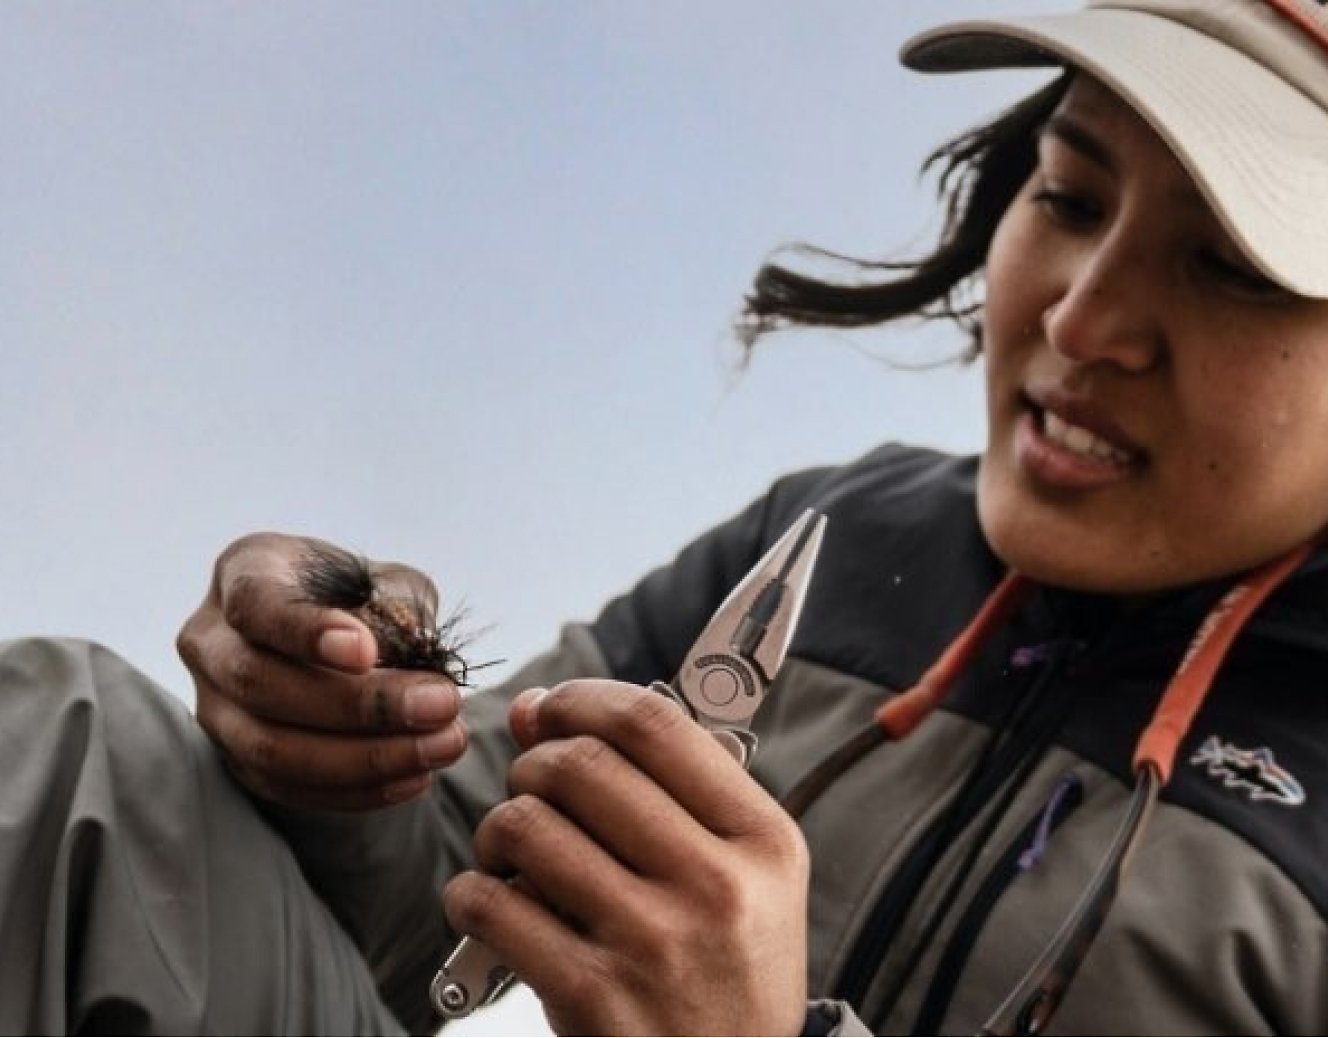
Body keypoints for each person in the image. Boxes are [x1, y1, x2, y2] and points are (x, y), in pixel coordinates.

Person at [5, 0, 1328, 1033]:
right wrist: (332, 760)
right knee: (73, 750)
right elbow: (433, 904)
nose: (1079, 320)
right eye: (1070, 196)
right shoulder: (842, 535)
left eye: (1235, 269)